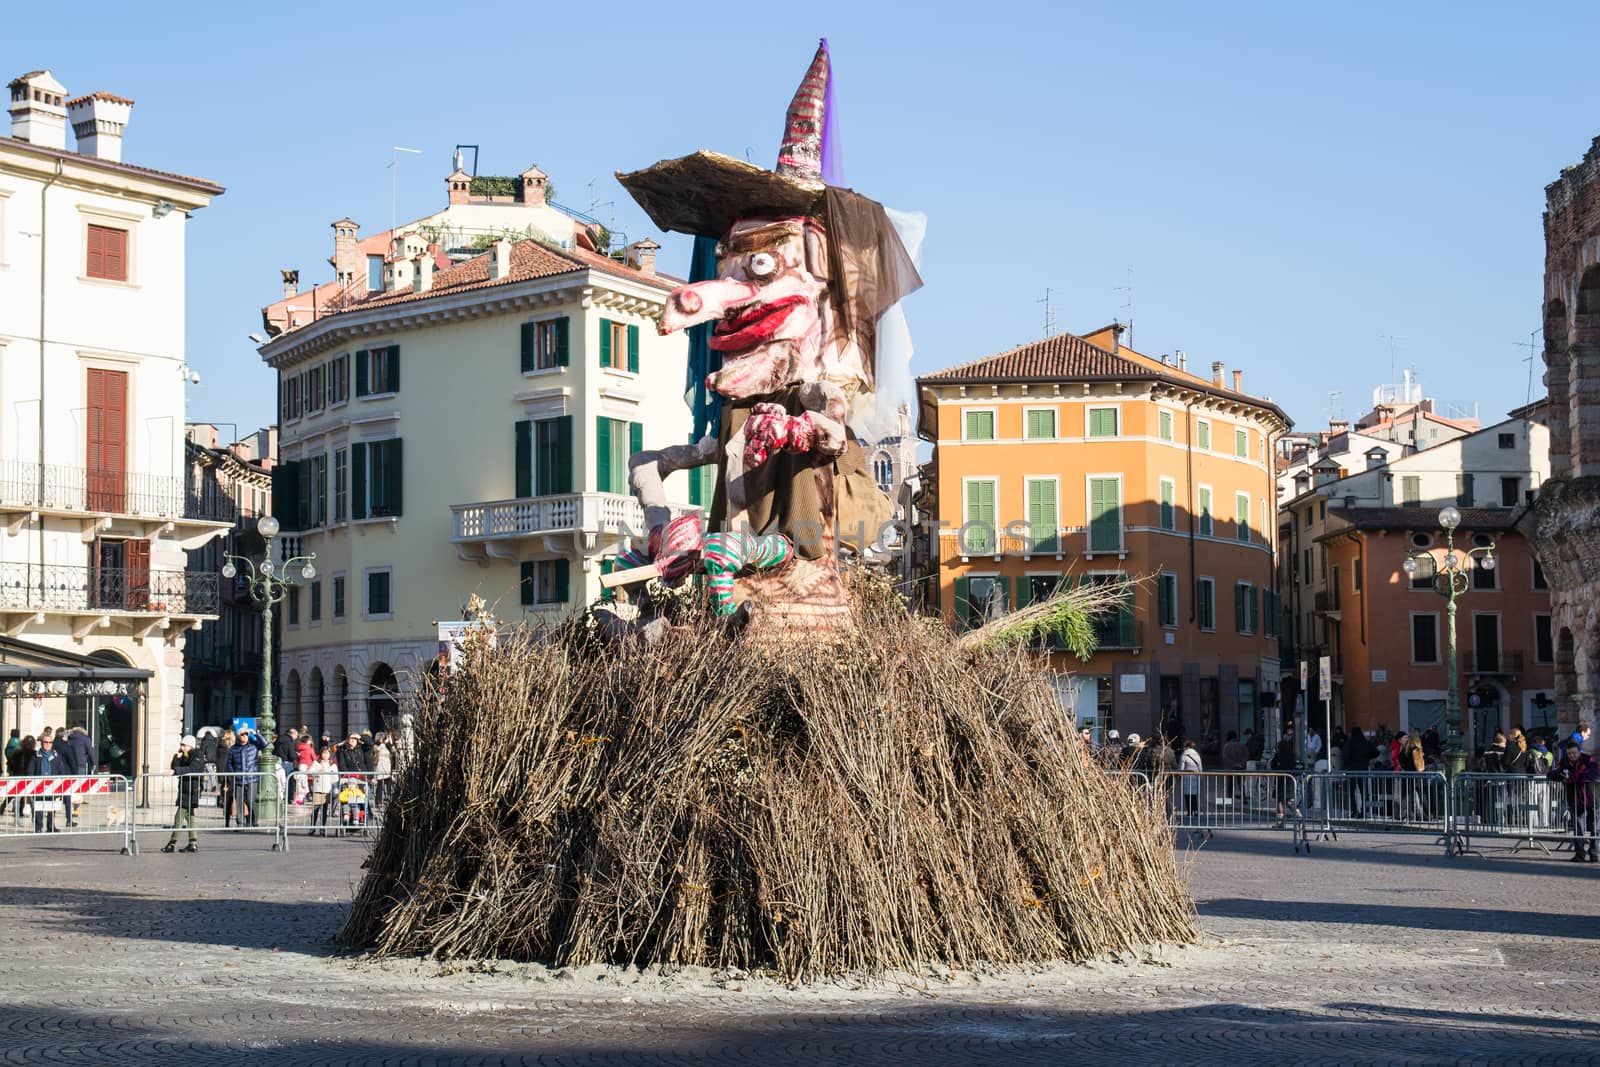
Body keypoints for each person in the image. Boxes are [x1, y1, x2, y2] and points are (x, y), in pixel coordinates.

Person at [1548, 741, 1598, 862]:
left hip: (1592, 798)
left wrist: (1573, 777)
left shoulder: (1588, 760)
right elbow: (1551, 774)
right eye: (1569, 753)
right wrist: (1561, 774)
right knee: (1578, 828)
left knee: (1594, 828)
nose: (1571, 756)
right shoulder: (1564, 762)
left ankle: (1594, 854)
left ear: (1579, 752)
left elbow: (1593, 774)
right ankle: (1579, 854)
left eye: (1574, 753)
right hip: (1575, 799)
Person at [161, 736, 204, 853]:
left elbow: (192, 769)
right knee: (190, 817)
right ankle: (193, 843)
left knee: (179, 817)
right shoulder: (185, 755)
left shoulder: (198, 755)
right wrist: (177, 758)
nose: (181, 747)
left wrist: (176, 771)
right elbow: (174, 767)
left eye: (183, 745)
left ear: (191, 746)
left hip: (192, 790)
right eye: (181, 745)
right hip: (184, 789)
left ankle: (172, 843)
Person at [26, 728, 67, 833]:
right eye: (46, 742)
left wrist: (60, 784)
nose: (48, 744)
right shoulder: (35, 756)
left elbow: (61, 770)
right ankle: (38, 827)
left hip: (53, 785)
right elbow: (30, 771)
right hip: (38, 785)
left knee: (51, 806)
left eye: (50, 742)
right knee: (39, 807)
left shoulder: (56, 756)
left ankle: (51, 826)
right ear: (42, 743)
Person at [227, 726, 267, 827]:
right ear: (238, 736)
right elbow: (229, 763)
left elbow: (265, 744)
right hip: (239, 779)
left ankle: (253, 819)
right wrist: (233, 774)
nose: (244, 736)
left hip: (252, 778)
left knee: (250, 800)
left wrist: (255, 733)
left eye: (246, 734)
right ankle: (240, 822)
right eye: (242, 734)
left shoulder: (253, 746)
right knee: (239, 802)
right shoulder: (233, 749)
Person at [308, 746, 337, 835]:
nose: (325, 755)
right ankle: (312, 827)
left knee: (324, 810)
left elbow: (335, 778)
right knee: (316, 809)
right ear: (320, 754)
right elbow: (309, 772)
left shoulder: (332, 765)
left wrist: (332, 774)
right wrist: (317, 771)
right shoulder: (316, 763)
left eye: (327, 753)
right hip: (317, 788)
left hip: (327, 790)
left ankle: (322, 827)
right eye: (323, 753)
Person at [1269, 737, 1296, 827]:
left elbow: (1272, 765)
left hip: (1281, 780)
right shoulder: (1292, 755)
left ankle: (1280, 822)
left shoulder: (1279, 755)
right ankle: (1299, 815)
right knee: (1288, 801)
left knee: (1280, 801)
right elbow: (1294, 766)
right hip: (1290, 780)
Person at [1179, 739, 1203, 815]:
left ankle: (1189, 811)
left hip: (1187, 777)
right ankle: (1195, 810)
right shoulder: (1197, 754)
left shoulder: (1184, 755)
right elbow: (1200, 767)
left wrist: (1179, 775)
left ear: (1186, 747)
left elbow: (1181, 768)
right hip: (1195, 776)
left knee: (1187, 795)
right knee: (1193, 795)